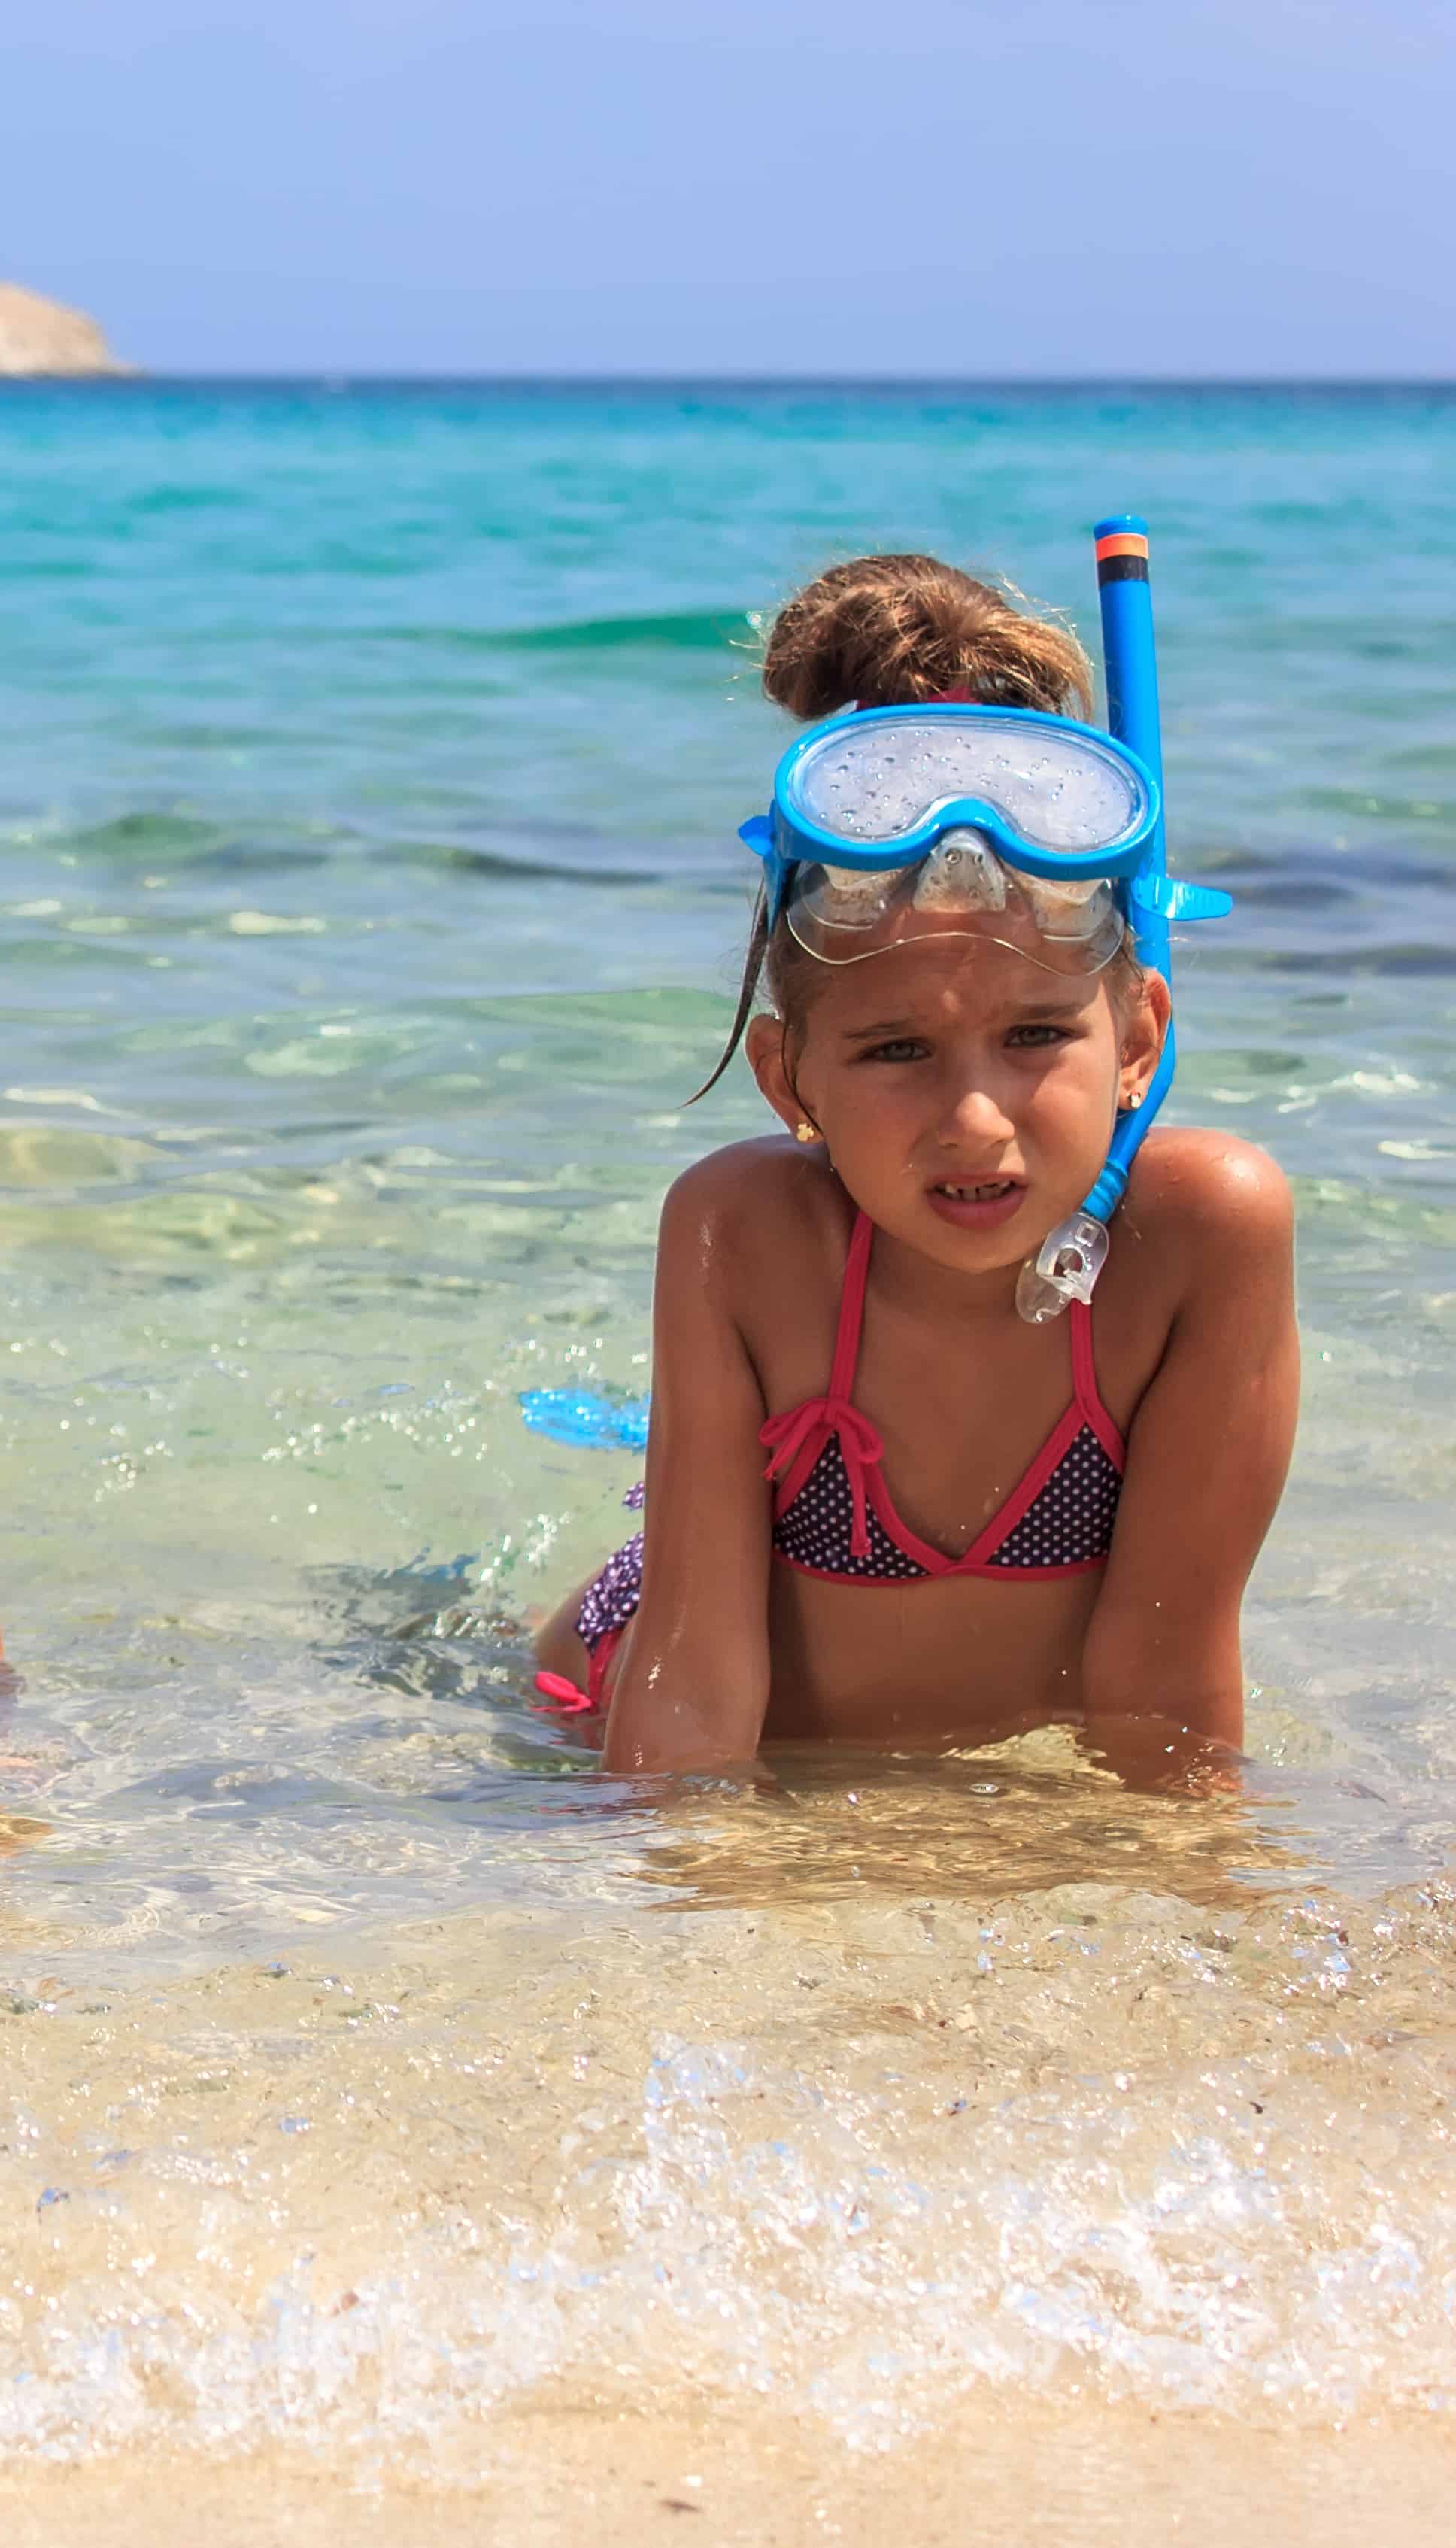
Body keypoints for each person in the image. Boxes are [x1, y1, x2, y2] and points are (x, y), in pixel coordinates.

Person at [530, 552, 1297, 1787]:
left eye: (1038, 1036)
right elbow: (691, 1698)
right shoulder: (745, 1232)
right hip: (597, 1694)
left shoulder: (1206, 1235)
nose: (977, 1121)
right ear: (790, 1081)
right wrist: (665, 1945)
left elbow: (1166, 1698)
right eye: (896, 1050)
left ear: (1141, 1037)